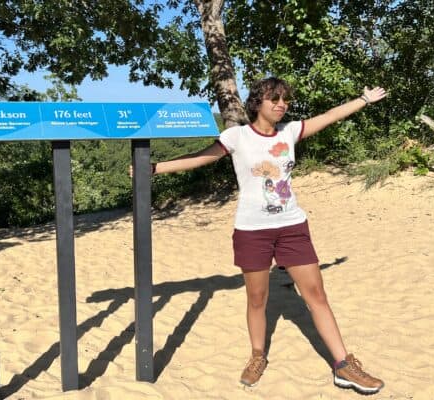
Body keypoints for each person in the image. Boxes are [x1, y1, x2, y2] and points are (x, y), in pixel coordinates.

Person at [138, 77, 387, 393]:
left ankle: (342, 364)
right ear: (258, 103)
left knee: (316, 294)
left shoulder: (290, 132)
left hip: (292, 226)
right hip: (252, 231)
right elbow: (204, 156)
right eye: (274, 98)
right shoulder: (237, 136)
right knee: (257, 298)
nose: (281, 105)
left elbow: (329, 117)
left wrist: (363, 100)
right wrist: (156, 168)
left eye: (285, 99)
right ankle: (258, 356)